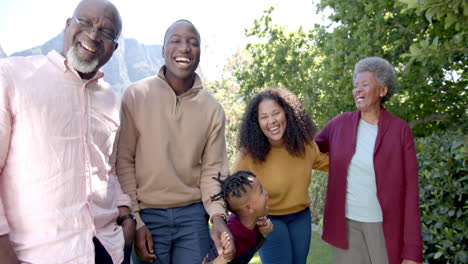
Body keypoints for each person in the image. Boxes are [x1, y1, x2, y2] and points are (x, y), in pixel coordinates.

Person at [0, 0, 135, 263]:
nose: (94, 35)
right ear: (68, 25)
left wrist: (125, 214)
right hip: (37, 254)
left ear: (114, 48)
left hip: (106, 249)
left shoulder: (112, 99)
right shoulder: (12, 76)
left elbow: (109, 167)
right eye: (85, 22)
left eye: (106, 32)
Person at [116, 19, 234, 264]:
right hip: (147, 216)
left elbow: (213, 170)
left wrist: (218, 218)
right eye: (176, 41)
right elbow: (124, 161)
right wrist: (136, 222)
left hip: (193, 216)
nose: (185, 48)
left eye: (193, 43)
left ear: (199, 52)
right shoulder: (136, 95)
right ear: (162, 51)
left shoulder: (212, 109)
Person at [315, 57, 423, 264]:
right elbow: (307, 150)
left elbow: (411, 192)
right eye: (356, 86)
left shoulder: (400, 131)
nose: (358, 90)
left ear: (382, 90)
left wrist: (412, 251)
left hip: (384, 228)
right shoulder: (339, 124)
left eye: (365, 85)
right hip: (346, 227)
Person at [233, 87, 329, 264]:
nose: (271, 121)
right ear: (257, 123)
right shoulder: (248, 155)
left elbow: (333, 163)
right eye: (264, 117)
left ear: (287, 114)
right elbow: (233, 193)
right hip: (268, 221)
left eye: (276, 113)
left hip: (301, 217)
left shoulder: (306, 146)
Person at [204, 171, 273, 264]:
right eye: (261, 191)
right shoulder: (229, 234)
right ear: (249, 208)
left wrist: (263, 234)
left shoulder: (254, 225)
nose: (266, 193)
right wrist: (223, 258)